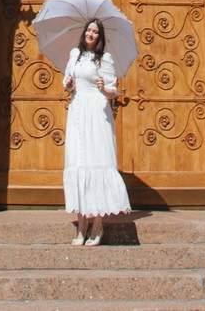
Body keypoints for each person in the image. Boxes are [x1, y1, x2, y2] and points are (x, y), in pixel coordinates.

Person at [62, 19, 130, 246]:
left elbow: (113, 92)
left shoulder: (105, 59)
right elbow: (67, 84)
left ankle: (98, 224)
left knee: (96, 161)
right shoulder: (75, 55)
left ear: (100, 38)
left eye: (95, 32)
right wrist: (69, 84)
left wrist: (105, 89)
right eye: (89, 30)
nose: (91, 34)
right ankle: (82, 224)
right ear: (84, 33)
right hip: (78, 112)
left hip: (97, 114)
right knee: (79, 163)